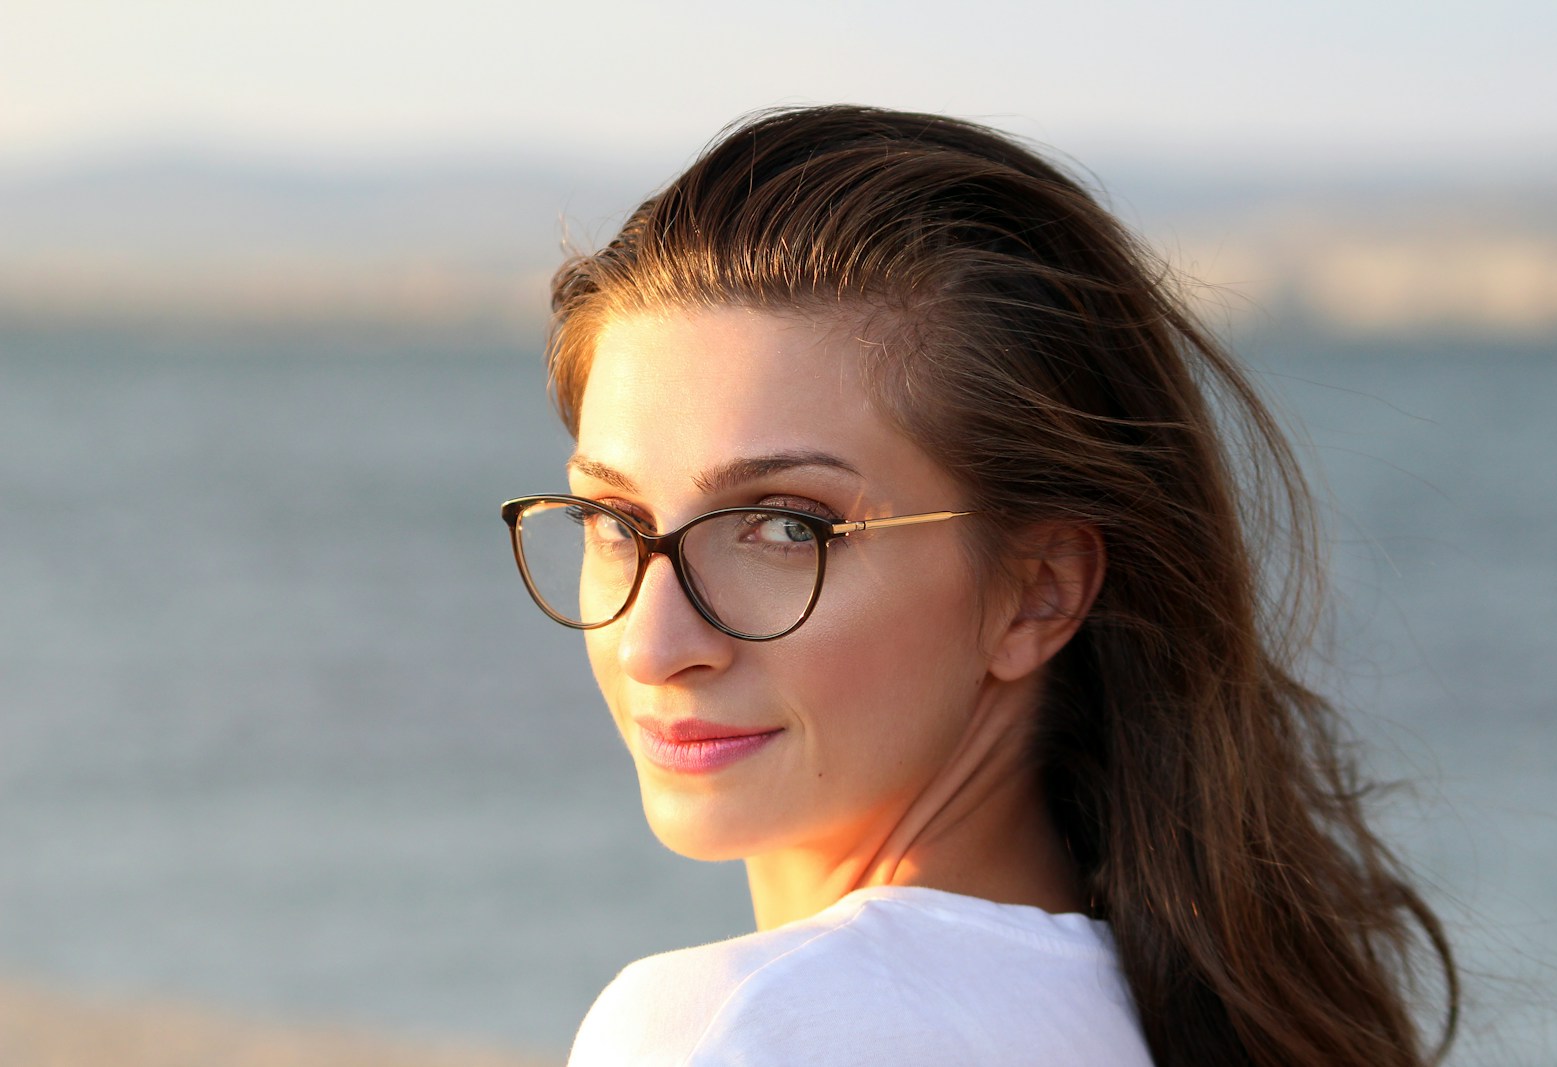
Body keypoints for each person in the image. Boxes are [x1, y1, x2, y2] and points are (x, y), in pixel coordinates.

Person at [500, 106, 1458, 1066]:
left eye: (788, 527)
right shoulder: (1165, 1021)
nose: (651, 645)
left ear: (1039, 591)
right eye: (611, 521)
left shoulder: (742, 1026)